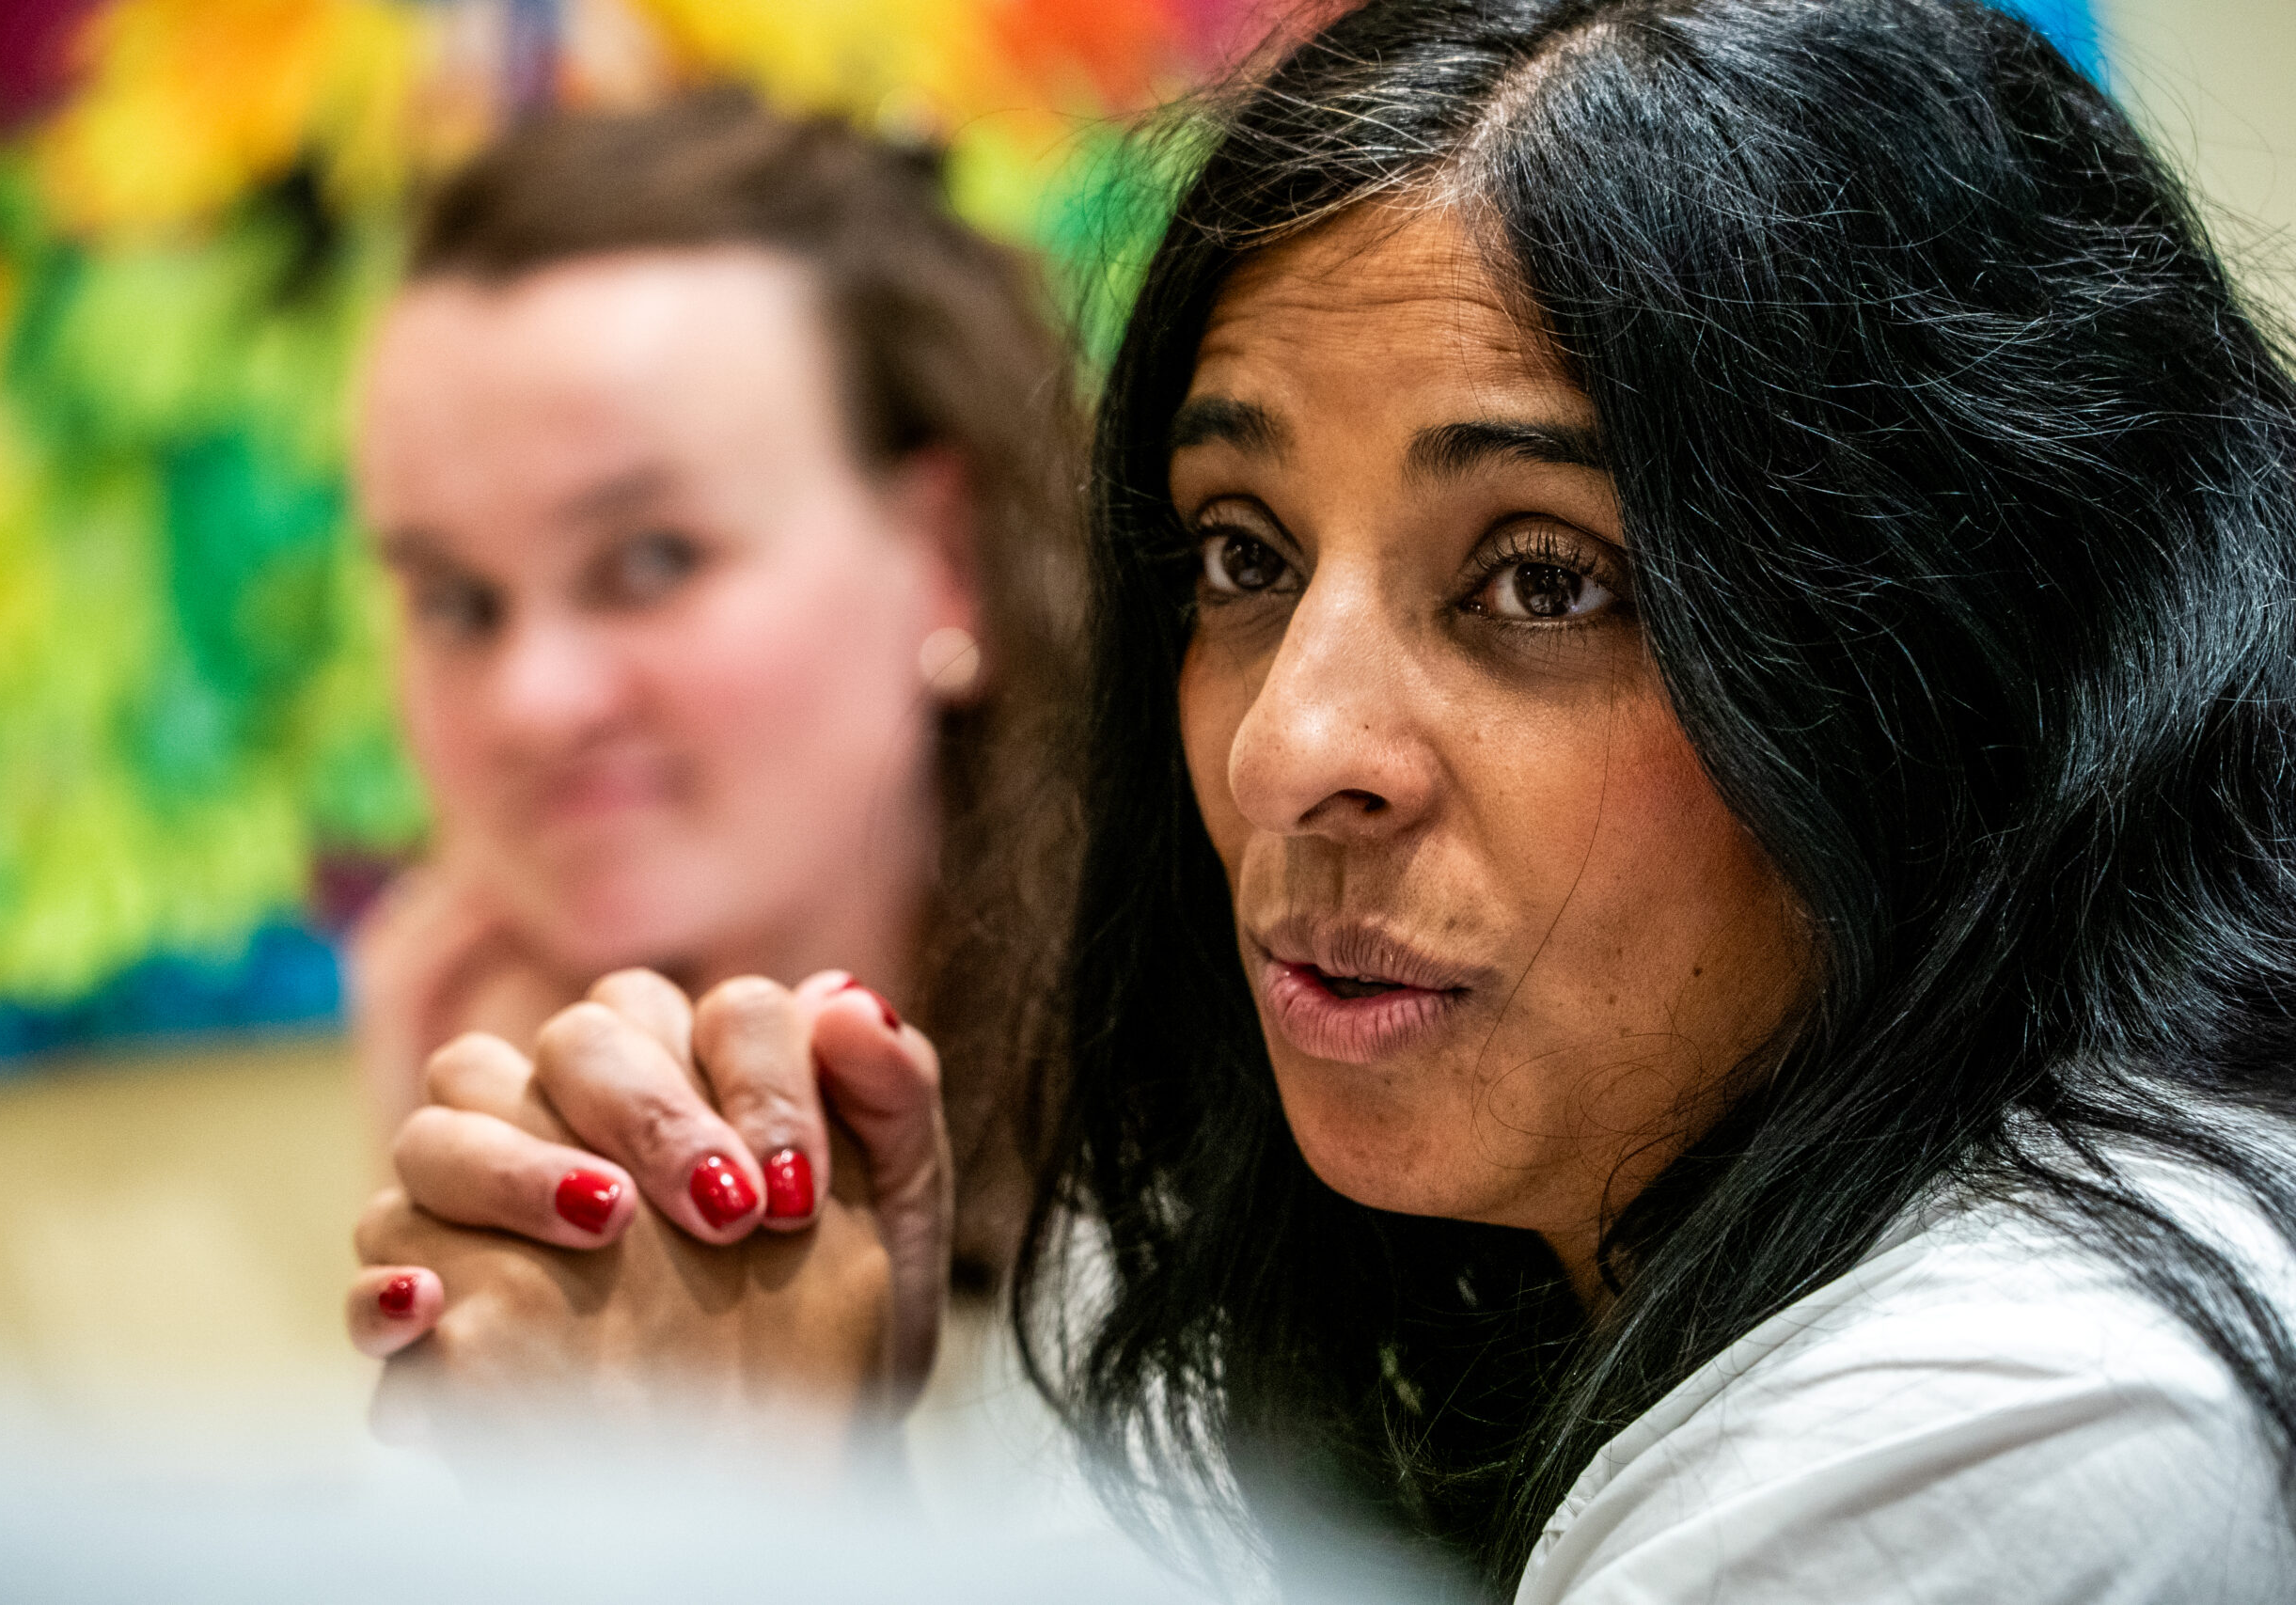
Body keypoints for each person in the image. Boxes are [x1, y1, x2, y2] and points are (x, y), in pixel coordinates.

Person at [346, 1, 2296, 1597]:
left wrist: (740, 1526)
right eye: (1242, 554)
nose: (1284, 745)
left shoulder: (2015, 1419)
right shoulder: (1398, 1261)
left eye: (1543, 580)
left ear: (1954, 646)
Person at [347, 88, 1082, 1283]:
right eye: (457, 603)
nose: (534, 700)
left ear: (948, 559)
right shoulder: (461, 1104)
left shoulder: (1202, 1210)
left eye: (650, 562)